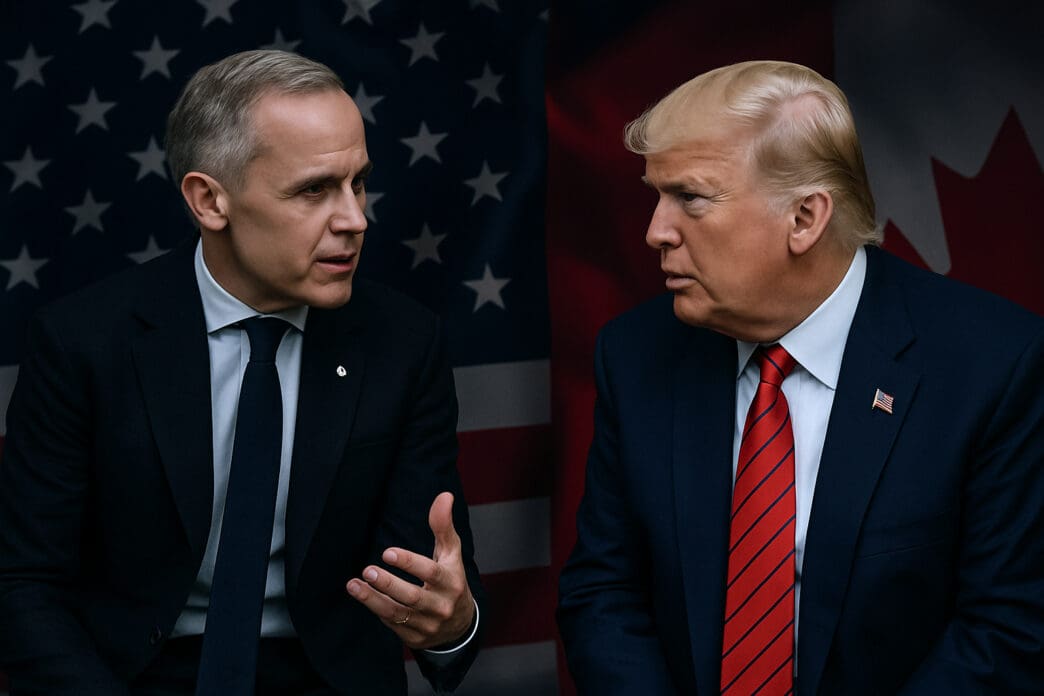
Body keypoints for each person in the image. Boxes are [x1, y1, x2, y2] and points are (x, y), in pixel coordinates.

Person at [0, 50, 484, 695]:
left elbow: (430, 583)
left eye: (359, 182)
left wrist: (454, 625)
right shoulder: (81, 342)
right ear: (209, 201)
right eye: (314, 190)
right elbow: (23, 584)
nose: (355, 219)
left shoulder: (403, 342)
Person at [558, 60, 1044, 695]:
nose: (656, 231)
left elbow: (1007, 630)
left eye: (691, 198)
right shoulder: (636, 354)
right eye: (656, 194)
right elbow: (603, 593)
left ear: (805, 219)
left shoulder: (992, 365)